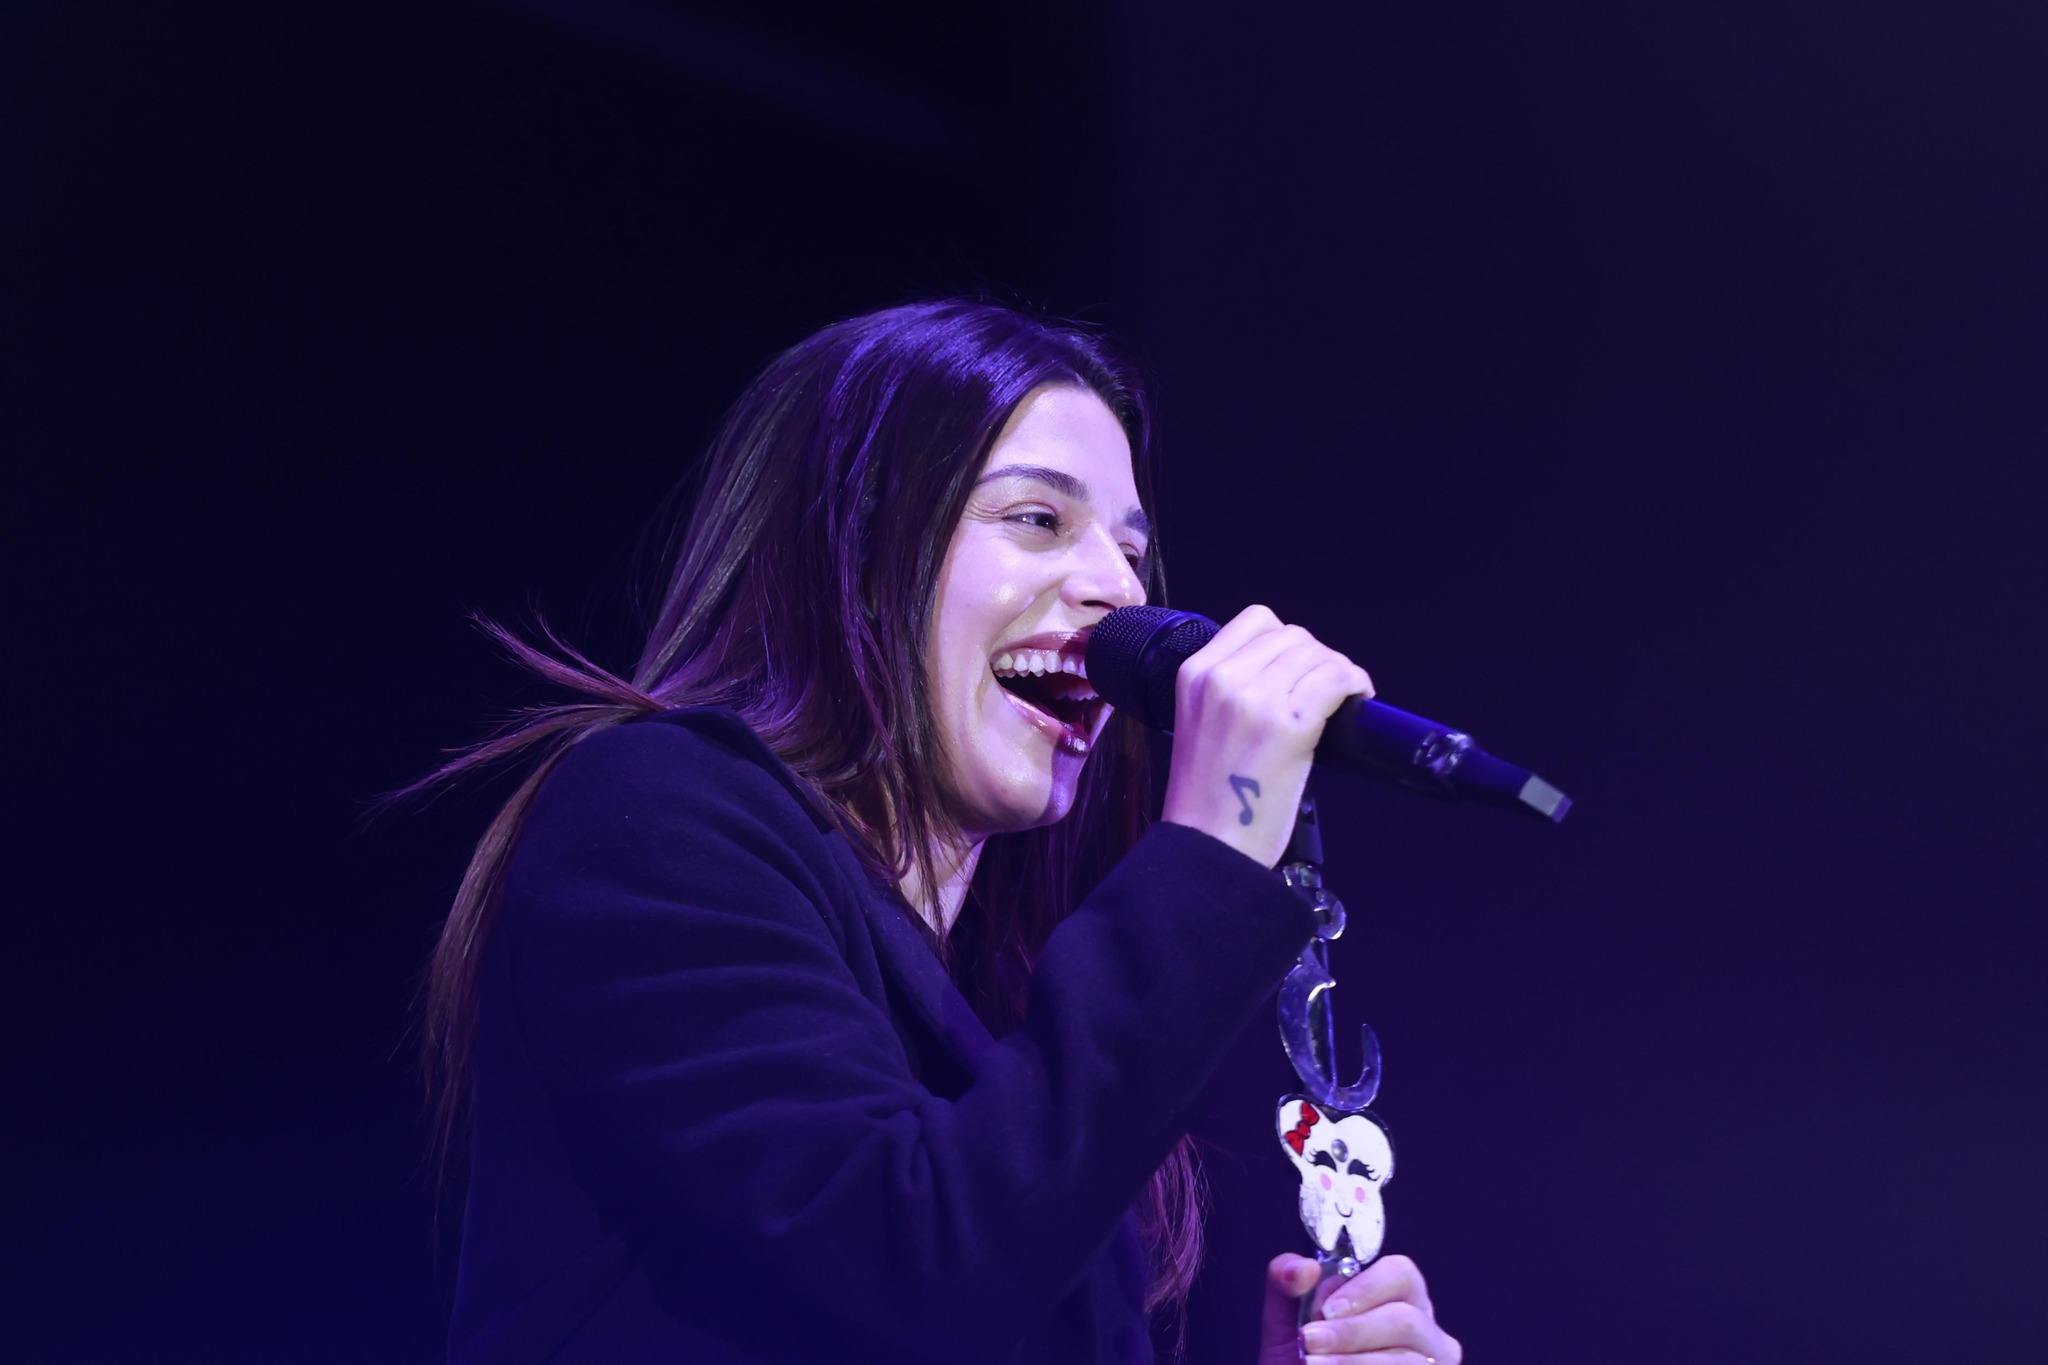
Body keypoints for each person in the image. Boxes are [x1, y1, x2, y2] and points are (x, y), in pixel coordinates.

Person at [417, 300, 1463, 1364]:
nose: (1116, 588)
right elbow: (902, 1263)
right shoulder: (654, 813)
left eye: (1130, 549)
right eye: (1037, 520)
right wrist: (1210, 851)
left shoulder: (1002, 1023)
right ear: (855, 557)